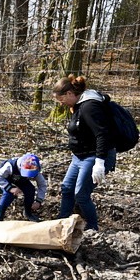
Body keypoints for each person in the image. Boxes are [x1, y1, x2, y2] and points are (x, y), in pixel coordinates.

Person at [52, 75, 117, 231]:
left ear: (69, 94)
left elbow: (103, 135)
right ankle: (62, 222)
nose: (61, 104)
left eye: (61, 99)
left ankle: (93, 228)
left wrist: (99, 162)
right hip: (79, 157)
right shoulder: (78, 105)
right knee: (67, 188)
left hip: (93, 157)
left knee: (81, 194)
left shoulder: (89, 107)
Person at [0, 153, 47, 222]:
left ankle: (28, 213)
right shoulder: (10, 166)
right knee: (8, 195)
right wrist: (10, 188)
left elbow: (42, 184)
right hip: (6, 179)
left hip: (21, 180)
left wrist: (38, 201)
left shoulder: (34, 168)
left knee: (30, 190)